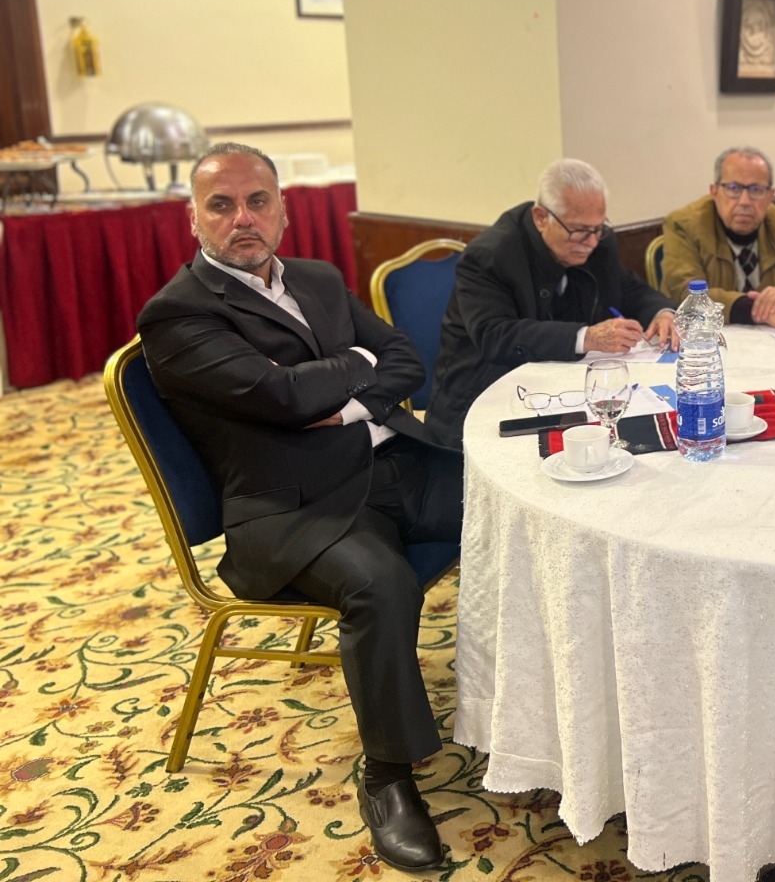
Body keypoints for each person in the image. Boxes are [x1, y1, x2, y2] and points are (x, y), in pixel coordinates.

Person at [138, 144, 463, 872]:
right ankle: (388, 777)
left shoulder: (315, 278)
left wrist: (341, 401)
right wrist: (356, 366)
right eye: (221, 205)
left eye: (257, 200)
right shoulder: (178, 313)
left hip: (393, 462)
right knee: (381, 584)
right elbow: (282, 399)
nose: (242, 219)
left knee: (517, 505)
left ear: (282, 208)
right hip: (294, 505)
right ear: (194, 219)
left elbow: (406, 360)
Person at [428, 159, 679, 449]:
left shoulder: (595, 240)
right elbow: (495, 334)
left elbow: (626, 287)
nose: (591, 242)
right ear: (540, 218)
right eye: (579, 230)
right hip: (484, 399)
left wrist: (662, 312)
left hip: (565, 393)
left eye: (598, 228)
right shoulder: (491, 255)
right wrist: (587, 337)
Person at [660, 146, 775, 331]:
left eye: (756, 190)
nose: (745, 201)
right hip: (711, 339)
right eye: (733, 188)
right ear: (714, 192)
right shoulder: (684, 225)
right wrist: (758, 310)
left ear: (770, 196)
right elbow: (685, 294)